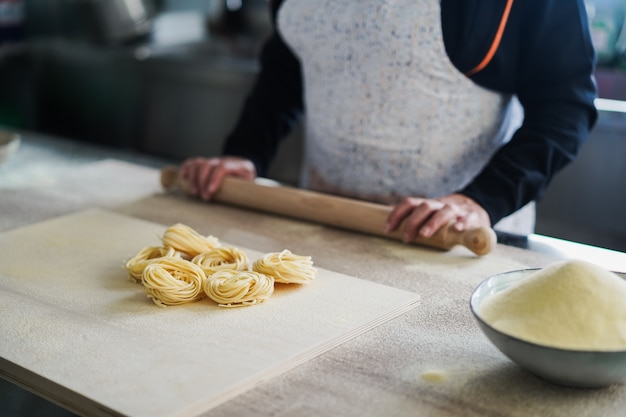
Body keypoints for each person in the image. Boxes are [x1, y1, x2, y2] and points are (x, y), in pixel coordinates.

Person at [180, 0, 597, 243]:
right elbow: (289, 64)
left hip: (459, 243)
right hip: (324, 228)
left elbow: (565, 104)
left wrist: (481, 200)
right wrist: (246, 151)